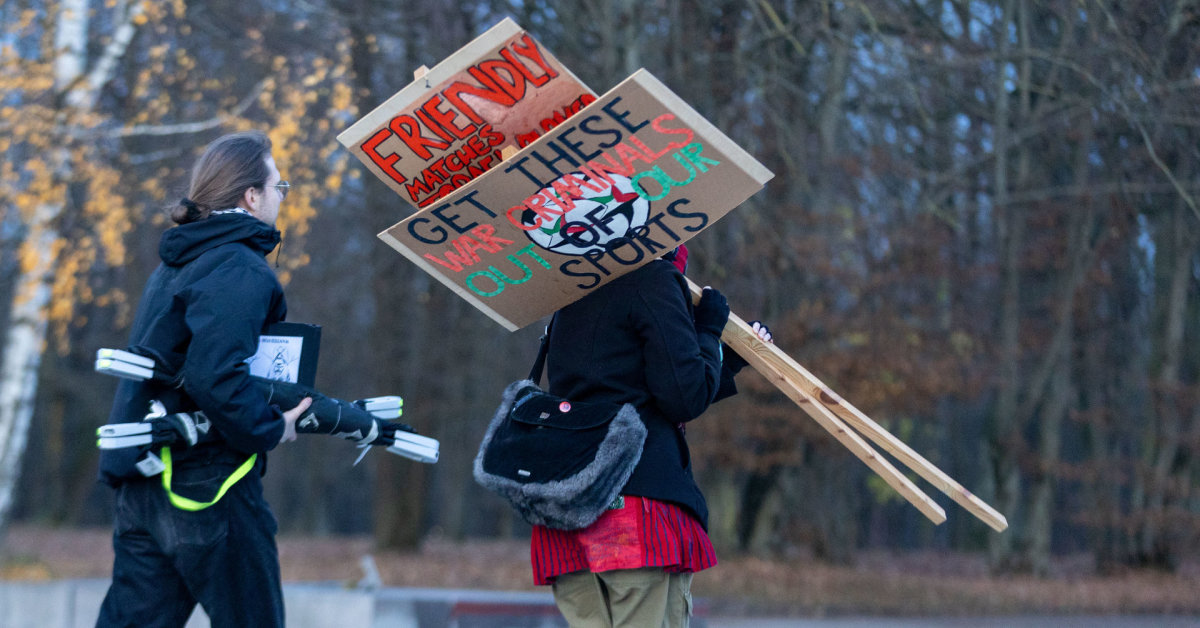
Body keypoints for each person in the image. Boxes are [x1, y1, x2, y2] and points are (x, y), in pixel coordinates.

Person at [96, 130, 312, 628]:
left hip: (143, 482)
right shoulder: (239, 267)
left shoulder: (176, 262)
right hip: (211, 486)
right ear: (251, 196)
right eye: (279, 186)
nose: (282, 197)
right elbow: (215, 376)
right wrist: (271, 427)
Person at [531, 245, 771, 627]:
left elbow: (624, 382)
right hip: (633, 513)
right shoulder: (653, 278)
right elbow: (684, 396)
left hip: (568, 512)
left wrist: (725, 359)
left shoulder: (573, 282)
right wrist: (708, 329)